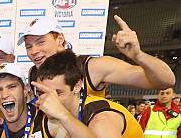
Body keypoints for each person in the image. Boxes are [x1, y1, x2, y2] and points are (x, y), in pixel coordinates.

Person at [18, 16, 175, 98]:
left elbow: (167, 81)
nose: (34, 51)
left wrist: (139, 56)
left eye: (40, 42)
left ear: (60, 40)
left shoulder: (92, 67)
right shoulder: (34, 74)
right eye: (28, 46)